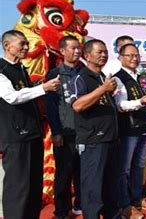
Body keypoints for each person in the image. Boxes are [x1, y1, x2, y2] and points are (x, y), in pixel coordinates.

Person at [0, 30, 60, 219]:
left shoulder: (21, 68)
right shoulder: (1, 69)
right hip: (15, 137)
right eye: (21, 44)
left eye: (27, 43)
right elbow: (12, 97)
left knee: (34, 185)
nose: (26, 47)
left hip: (32, 133)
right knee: (18, 186)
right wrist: (43, 88)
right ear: (7, 46)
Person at [69, 39, 120, 219]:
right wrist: (103, 89)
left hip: (111, 140)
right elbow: (77, 105)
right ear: (87, 55)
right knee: (93, 190)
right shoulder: (80, 78)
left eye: (105, 52)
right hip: (93, 143)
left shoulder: (103, 78)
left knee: (111, 189)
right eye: (99, 52)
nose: (103, 55)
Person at [113, 43, 146, 218]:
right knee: (124, 169)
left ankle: (137, 198)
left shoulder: (140, 78)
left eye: (136, 55)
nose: (134, 58)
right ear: (120, 57)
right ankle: (125, 204)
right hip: (128, 130)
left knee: (139, 166)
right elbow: (120, 105)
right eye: (129, 55)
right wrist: (140, 102)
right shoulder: (118, 78)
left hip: (143, 127)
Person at [45, 36, 83, 218]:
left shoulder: (85, 71)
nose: (77, 51)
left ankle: (81, 205)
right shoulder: (54, 74)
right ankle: (61, 210)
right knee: (64, 175)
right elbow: (51, 106)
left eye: (79, 48)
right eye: (73, 48)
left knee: (83, 172)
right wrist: (56, 131)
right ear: (62, 51)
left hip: (86, 132)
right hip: (66, 132)